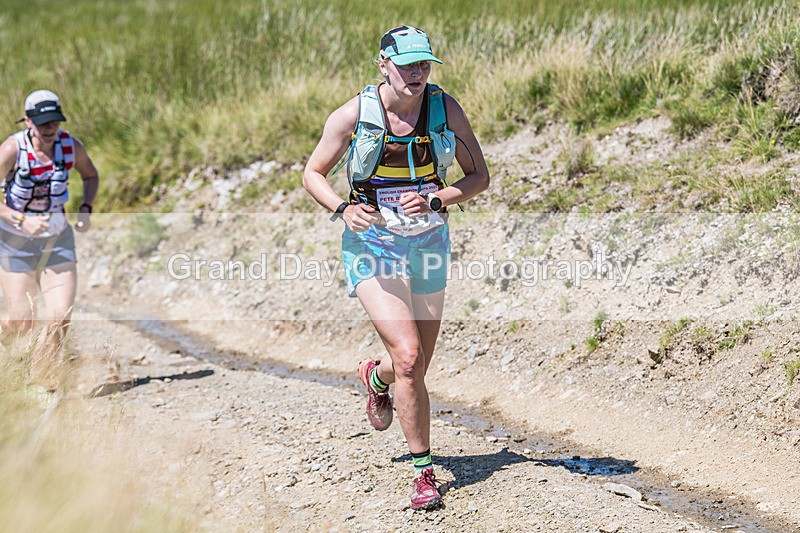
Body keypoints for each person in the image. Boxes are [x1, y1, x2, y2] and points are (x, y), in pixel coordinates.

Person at [303, 26, 489, 510]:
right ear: (382, 63)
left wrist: (435, 196)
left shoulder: (443, 109)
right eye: (406, 64)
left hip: (427, 241)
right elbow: (312, 173)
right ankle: (424, 473)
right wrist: (342, 210)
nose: (416, 73)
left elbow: (478, 177)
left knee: (415, 365)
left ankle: (375, 377)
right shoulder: (354, 114)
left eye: (424, 64)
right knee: (409, 357)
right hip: (372, 244)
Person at [0, 89, 99, 392]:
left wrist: (85, 209)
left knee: (60, 316)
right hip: (15, 241)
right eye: (43, 122)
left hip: (57, 240)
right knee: (21, 322)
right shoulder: (12, 150)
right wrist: (21, 219)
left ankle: (39, 383)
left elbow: (90, 175)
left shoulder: (71, 146)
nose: (49, 128)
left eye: (54, 121)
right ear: (28, 120)